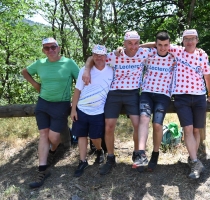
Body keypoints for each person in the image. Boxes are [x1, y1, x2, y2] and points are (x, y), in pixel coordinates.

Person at [82, 31, 156, 175]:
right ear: (124, 43)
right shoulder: (115, 55)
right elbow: (94, 57)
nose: (133, 46)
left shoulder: (143, 53)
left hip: (133, 93)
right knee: (109, 127)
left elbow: (158, 44)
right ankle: (110, 157)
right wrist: (86, 70)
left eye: (136, 43)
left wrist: (140, 45)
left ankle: (137, 154)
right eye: (130, 43)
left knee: (137, 124)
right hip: (114, 93)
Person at [21, 37, 79, 188]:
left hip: (61, 104)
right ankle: (42, 170)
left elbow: (80, 82)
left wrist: (74, 102)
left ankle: (54, 150)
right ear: (43, 50)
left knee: (54, 137)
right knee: (43, 134)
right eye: (47, 48)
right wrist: (35, 85)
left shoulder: (69, 63)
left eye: (53, 47)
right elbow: (25, 71)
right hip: (43, 103)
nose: (50, 50)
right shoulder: (40, 64)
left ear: (58, 48)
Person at [169, 29, 210, 179]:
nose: (189, 42)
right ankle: (196, 162)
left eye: (192, 39)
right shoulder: (176, 51)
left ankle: (193, 160)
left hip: (199, 97)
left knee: (197, 130)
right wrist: (127, 49)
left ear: (197, 40)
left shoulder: (203, 55)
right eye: (186, 39)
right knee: (188, 129)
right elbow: (157, 43)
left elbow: (207, 77)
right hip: (181, 97)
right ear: (182, 41)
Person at [132, 31, 176, 172]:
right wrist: (153, 45)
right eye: (159, 45)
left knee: (157, 125)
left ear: (170, 45)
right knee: (143, 119)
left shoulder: (174, 55)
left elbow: (186, 49)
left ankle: (155, 154)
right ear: (155, 45)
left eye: (166, 45)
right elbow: (137, 48)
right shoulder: (149, 53)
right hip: (147, 93)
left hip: (163, 95)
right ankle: (141, 154)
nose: (163, 48)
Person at [71, 45, 113, 177]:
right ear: (92, 56)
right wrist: (73, 109)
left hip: (99, 110)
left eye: (101, 55)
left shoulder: (111, 70)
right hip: (82, 108)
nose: (98, 58)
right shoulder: (84, 70)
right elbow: (77, 90)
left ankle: (99, 150)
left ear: (106, 57)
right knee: (81, 135)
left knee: (95, 137)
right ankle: (82, 161)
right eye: (96, 55)